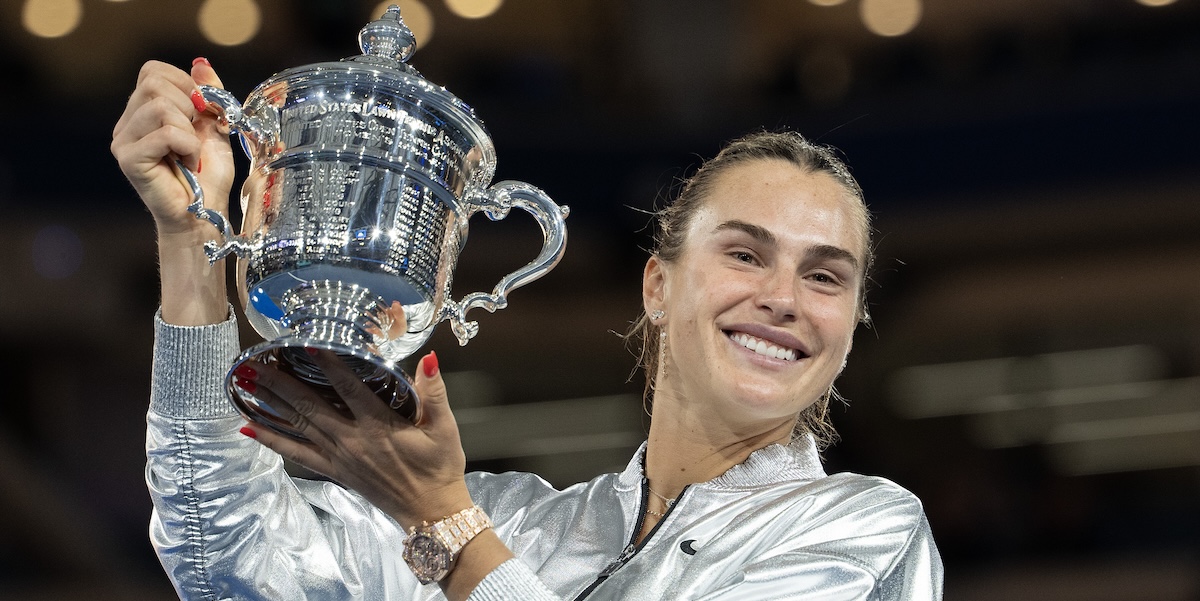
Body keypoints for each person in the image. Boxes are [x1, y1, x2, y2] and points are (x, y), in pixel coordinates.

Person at [113, 57, 943, 600]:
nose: (784, 297)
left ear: (849, 326)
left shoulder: (867, 528)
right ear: (658, 286)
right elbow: (222, 552)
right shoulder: (517, 523)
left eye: (825, 274)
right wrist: (191, 236)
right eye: (745, 254)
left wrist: (443, 522)